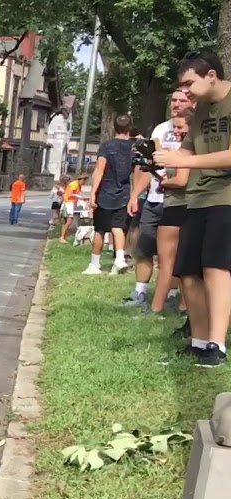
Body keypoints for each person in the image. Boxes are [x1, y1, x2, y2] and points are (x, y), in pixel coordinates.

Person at [154, 50, 231, 367]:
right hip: (197, 197)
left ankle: (217, 346)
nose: (184, 92)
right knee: (187, 271)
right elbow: (186, 150)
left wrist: (185, 160)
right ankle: (198, 343)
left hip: (227, 196)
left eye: (189, 84)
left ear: (211, 75)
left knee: (216, 267)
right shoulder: (198, 111)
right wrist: (162, 158)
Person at [124, 89, 193, 310]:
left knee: (171, 256)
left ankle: (171, 297)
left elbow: (183, 177)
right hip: (154, 199)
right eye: (173, 100)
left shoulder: (195, 131)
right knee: (144, 248)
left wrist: (169, 180)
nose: (176, 104)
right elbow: (149, 166)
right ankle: (140, 292)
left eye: (182, 100)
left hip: (181, 200)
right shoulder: (160, 129)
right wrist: (135, 194)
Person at [84, 114, 135, 275]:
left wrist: (92, 193)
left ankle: (94, 264)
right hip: (124, 193)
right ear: (130, 127)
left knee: (100, 229)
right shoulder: (134, 147)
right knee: (118, 227)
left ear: (114, 127)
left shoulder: (106, 146)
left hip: (105, 192)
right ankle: (119, 259)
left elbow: (100, 169)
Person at [59, 174, 83, 243]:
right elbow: (69, 194)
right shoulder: (73, 185)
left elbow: (78, 193)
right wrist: (77, 195)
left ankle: (63, 237)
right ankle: (62, 237)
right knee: (68, 221)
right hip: (67, 204)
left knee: (67, 221)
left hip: (69, 204)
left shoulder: (77, 185)